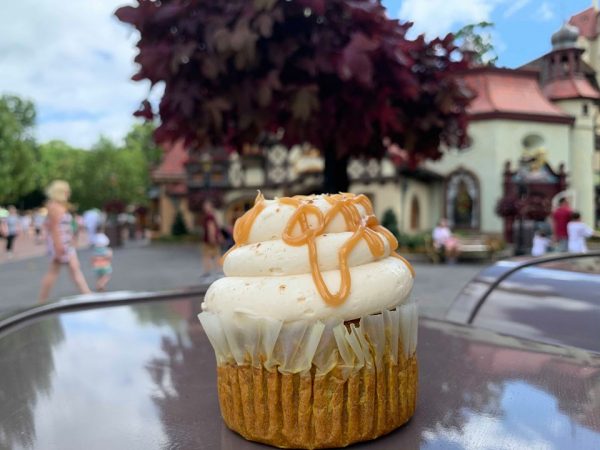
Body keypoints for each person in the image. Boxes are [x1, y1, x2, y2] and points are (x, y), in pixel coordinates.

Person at [39, 180, 91, 302]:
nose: (69, 193)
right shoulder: (55, 207)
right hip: (61, 244)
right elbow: (54, 228)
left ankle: (87, 294)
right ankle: (42, 300)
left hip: (64, 243)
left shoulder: (56, 206)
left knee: (73, 269)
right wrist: (58, 246)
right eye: (67, 191)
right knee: (55, 272)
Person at [201, 200, 222, 277]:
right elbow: (217, 226)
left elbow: (211, 227)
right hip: (212, 238)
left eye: (206, 206)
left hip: (209, 239)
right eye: (204, 206)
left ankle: (208, 272)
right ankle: (218, 271)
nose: (205, 208)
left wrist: (212, 238)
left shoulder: (209, 216)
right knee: (216, 254)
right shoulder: (213, 215)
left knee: (207, 255)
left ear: (210, 207)